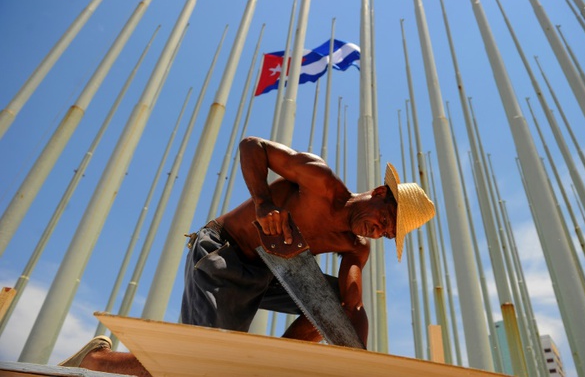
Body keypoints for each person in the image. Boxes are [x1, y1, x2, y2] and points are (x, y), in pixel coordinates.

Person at [59, 136, 435, 376]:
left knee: (333, 302)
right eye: (385, 220)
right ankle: (96, 360)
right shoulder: (320, 181)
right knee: (199, 367)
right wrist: (263, 202)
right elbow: (251, 146)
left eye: (388, 233)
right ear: (379, 193)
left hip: (270, 273)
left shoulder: (355, 246)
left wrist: (360, 364)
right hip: (226, 253)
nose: (379, 231)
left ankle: (268, 366)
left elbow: (350, 307)